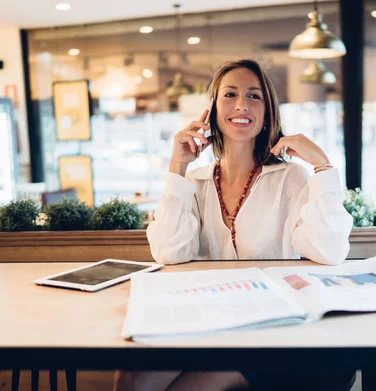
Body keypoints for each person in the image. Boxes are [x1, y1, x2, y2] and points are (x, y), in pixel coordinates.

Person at [114, 59, 355, 391]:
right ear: (212, 109)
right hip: (209, 322)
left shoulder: (291, 178)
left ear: (268, 111)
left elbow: (330, 251)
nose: (242, 104)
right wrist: (177, 166)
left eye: (254, 96)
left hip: (272, 333)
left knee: (196, 386)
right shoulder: (196, 181)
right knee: (132, 379)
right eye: (230, 94)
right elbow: (169, 252)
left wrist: (323, 166)